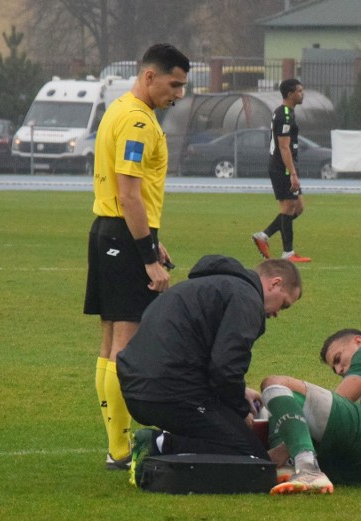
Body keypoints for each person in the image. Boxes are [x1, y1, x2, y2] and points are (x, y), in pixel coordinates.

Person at [83, 43, 190, 470]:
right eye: (174, 84)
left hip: (109, 231)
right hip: (123, 237)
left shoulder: (120, 108)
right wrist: (146, 254)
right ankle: (121, 450)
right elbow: (129, 192)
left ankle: (117, 445)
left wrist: (152, 239)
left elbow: (132, 195)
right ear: (150, 76)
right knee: (124, 346)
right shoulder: (139, 122)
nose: (178, 94)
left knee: (110, 341)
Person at [117, 255, 303, 487]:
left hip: (140, 388)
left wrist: (240, 390)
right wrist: (239, 409)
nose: (277, 313)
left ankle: (164, 444)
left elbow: (200, 354)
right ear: (275, 283)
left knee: (227, 435)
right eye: (283, 304)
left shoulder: (210, 286)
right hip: (170, 392)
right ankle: (159, 444)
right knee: (254, 460)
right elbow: (225, 367)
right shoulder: (246, 298)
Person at [259, 329, 361, 495]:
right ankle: (291, 467)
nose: (339, 370)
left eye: (338, 359)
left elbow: (341, 400)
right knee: (285, 407)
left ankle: (305, 468)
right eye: (335, 368)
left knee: (276, 385)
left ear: (358, 341)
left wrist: (284, 447)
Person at [252, 78, 312, 263]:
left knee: (298, 207)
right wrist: (292, 173)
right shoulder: (285, 115)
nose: (302, 94)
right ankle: (288, 253)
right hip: (282, 168)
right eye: (299, 91)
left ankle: (264, 235)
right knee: (288, 208)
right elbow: (283, 146)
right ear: (290, 94)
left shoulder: (286, 113)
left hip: (286, 166)